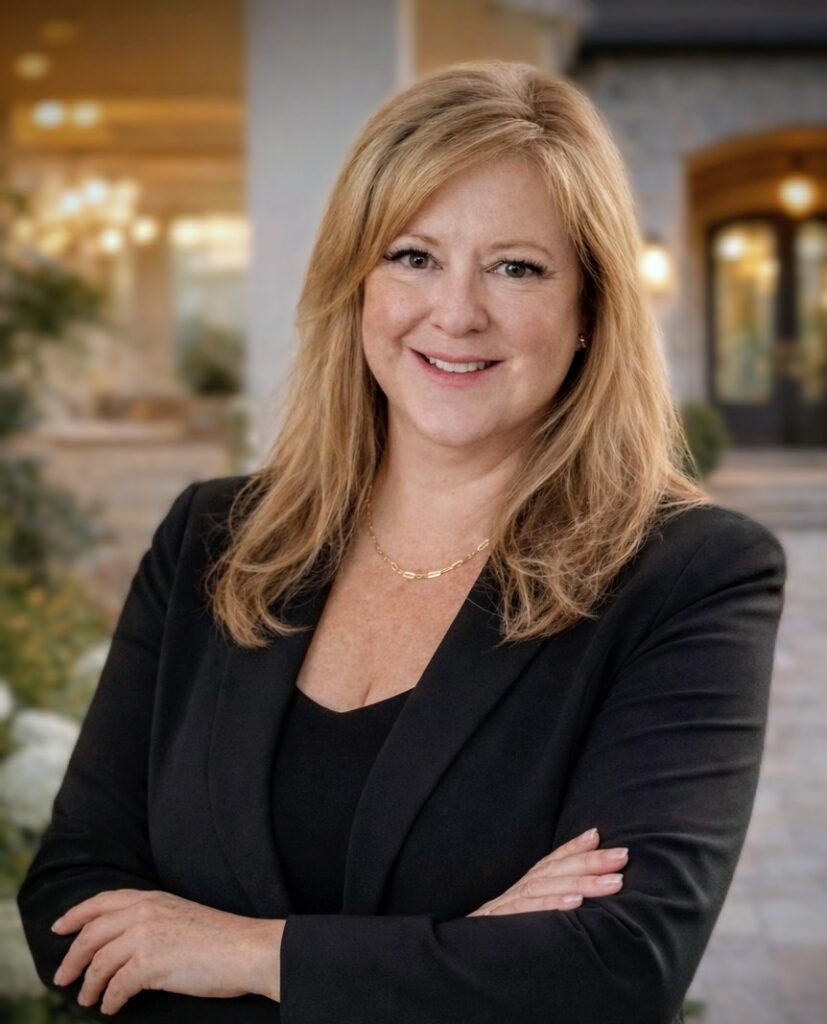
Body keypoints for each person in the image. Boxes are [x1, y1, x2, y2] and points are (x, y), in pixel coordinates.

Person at [17, 60, 786, 1023]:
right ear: (356, 283)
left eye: (516, 267)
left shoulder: (688, 576)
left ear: (590, 309)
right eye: (412, 256)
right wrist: (466, 953)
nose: (455, 311)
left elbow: (613, 970)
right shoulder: (214, 540)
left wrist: (248, 955)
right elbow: (69, 907)